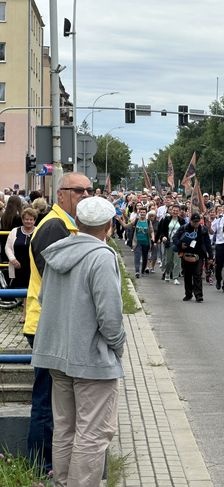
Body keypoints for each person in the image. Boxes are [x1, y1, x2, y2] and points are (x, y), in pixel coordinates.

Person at [31, 196, 125, 487]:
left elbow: (45, 299)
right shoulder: (102, 256)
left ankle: (61, 483)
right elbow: (110, 316)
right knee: (93, 433)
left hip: (57, 354)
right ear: (108, 226)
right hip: (91, 359)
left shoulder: (56, 253)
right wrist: (117, 346)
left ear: (78, 223)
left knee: (65, 429)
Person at [24, 172, 92, 474]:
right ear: (61, 193)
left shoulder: (66, 225)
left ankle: (49, 465)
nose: (86, 196)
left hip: (53, 323)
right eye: (79, 191)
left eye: (89, 191)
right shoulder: (54, 227)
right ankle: (41, 465)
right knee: (45, 401)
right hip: (45, 324)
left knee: (53, 399)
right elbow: (60, 280)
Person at [4, 207, 38, 322]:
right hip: (18, 266)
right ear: (22, 220)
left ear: (34, 220)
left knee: (30, 289)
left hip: (33, 266)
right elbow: (8, 247)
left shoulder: (39, 231)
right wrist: (12, 259)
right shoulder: (15, 231)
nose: (28, 221)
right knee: (23, 291)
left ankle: (25, 315)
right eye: (26, 219)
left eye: (31, 219)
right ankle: (25, 313)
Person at [173, 212, 213, 302]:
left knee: (197, 274)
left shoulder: (203, 230)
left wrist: (210, 256)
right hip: (186, 254)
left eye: (197, 221)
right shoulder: (184, 228)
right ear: (190, 221)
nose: (196, 223)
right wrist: (180, 244)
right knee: (187, 275)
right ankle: (188, 294)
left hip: (199, 255)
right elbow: (174, 238)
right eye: (194, 222)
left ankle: (198, 295)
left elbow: (208, 243)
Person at [121, 207, 154, 278]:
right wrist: (120, 220)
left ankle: (142, 270)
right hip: (137, 242)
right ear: (139, 213)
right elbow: (126, 226)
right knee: (137, 257)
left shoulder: (148, 222)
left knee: (145, 258)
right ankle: (137, 271)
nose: (142, 213)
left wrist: (153, 238)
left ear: (146, 213)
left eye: (144, 212)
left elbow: (152, 231)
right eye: (141, 212)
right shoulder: (136, 220)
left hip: (146, 243)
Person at [157, 203, 183, 284]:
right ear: (171, 211)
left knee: (177, 261)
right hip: (169, 242)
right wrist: (163, 237)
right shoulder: (167, 219)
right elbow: (162, 231)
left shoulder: (182, 220)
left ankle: (175, 277)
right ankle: (167, 273)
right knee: (168, 261)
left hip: (178, 243)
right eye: (174, 210)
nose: (175, 212)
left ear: (179, 212)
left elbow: (184, 232)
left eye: (177, 211)